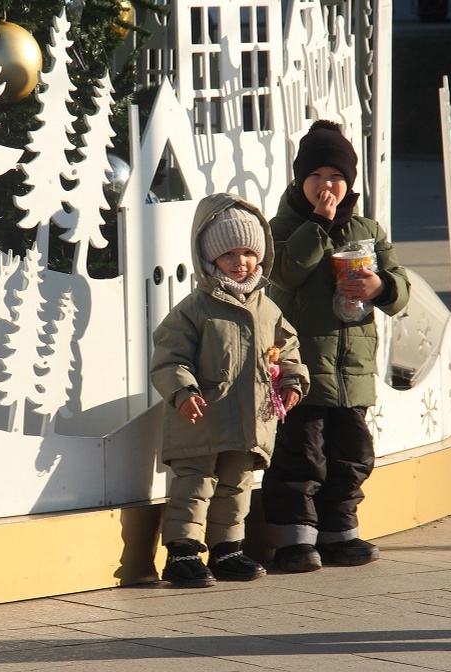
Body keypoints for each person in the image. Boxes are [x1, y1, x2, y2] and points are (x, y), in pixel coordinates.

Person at [261, 119, 411, 571]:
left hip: (353, 368)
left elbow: (400, 291)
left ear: (349, 182)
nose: (326, 186)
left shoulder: (367, 229)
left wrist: (379, 285)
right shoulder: (281, 226)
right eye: (316, 177)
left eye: (336, 177)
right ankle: (295, 541)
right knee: (300, 456)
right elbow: (283, 274)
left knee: (350, 456)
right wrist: (319, 226)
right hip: (303, 368)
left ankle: (340, 534)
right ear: (299, 180)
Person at [150, 192, 310, 588]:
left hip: (248, 421)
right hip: (202, 419)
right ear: (210, 260)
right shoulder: (194, 309)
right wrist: (183, 391)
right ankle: (182, 551)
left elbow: (287, 350)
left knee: (237, 486)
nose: (241, 263)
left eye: (248, 254)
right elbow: (170, 356)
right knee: (195, 483)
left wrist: (292, 380)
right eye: (229, 255)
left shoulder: (267, 308)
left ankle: (228, 549)